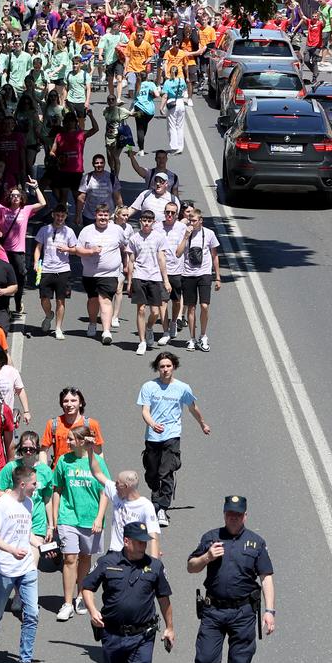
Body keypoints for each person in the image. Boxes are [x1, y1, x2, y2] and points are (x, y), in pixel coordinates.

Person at [187, 495, 276, 663]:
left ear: (245, 516)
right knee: (204, 660)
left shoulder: (256, 543)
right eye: (229, 514)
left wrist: (269, 611)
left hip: (243, 613)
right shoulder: (211, 538)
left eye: (238, 514)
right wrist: (207, 557)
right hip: (214, 610)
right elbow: (191, 566)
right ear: (224, 514)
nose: (233, 518)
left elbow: (266, 577)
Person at [81, 521, 175, 663]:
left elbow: (164, 598)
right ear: (126, 541)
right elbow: (87, 587)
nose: (143, 546)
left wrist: (170, 627)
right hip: (112, 634)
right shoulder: (107, 563)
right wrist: (92, 611)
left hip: (143, 635)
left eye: (145, 542)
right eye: (139, 542)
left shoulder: (154, 567)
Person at [0, 460, 43, 663]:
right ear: (22, 484)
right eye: (34, 483)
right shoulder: (2, 505)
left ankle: (24, 662)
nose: (36, 486)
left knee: (32, 613)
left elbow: (26, 533)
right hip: (4, 568)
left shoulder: (29, 503)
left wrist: (40, 545)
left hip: (26, 568)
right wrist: (11, 550)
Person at [136, 351, 210, 526]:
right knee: (152, 474)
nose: (165, 369)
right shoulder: (149, 387)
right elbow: (145, 411)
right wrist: (152, 424)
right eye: (162, 366)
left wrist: (202, 424)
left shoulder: (183, 388)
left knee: (166, 471)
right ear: (157, 368)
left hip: (172, 435)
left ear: (174, 367)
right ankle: (156, 498)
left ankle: (161, 507)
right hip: (153, 436)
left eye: (168, 366)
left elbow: (193, 408)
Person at [52, 424, 110, 620]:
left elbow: (105, 491)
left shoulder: (97, 462)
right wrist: (55, 518)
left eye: (70, 438)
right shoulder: (63, 461)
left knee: (85, 557)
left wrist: (99, 518)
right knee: (70, 558)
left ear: (82, 441)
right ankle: (67, 603)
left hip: (90, 518)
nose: (67, 442)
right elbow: (57, 490)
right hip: (68, 517)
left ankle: (80, 597)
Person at [77, 203, 129, 344]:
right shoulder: (87, 231)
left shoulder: (117, 230)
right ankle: (93, 323)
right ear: (96, 215)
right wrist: (90, 251)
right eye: (100, 215)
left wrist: (127, 264)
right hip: (90, 273)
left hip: (110, 273)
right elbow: (77, 250)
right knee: (93, 299)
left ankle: (106, 331)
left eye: (105, 215)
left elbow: (124, 246)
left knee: (105, 300)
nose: (103, 218)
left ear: (109, 216)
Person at [174, 204, 222, 351]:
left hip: (204, 274)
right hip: (188, 274)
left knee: (204, 306)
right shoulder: (184, 233)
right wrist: (185, 237)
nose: (191, 223)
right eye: (190, 220)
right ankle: (192, 338)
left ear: (201, 220)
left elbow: (214, 256)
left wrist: (218, 277)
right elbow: (178, 253)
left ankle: (203, 335)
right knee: (191, 308)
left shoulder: (209, 234)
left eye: (194, 220)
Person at [125, 209, 171, 355]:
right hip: (139, 276)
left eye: (149, 221)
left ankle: (149, 327)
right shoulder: (134, 238)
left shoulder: (159, 237)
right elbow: (131, 261)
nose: (146, 223)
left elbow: (162, 259)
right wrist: (129, 282)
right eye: (144, 220)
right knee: (141, 309)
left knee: (155, 312)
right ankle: (142, 341)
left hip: (155, 277)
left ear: (153, 222)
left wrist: (166, 280)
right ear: (140, 221)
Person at [33, 203, 77, 338]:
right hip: (46, 269)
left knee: (60, 300)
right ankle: (49, 315)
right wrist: (36, 262)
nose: (60, 218)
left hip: (63, 270)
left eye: (62, 216)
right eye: (57, 215)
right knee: (44, 298)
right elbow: (38, 248)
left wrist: (67, 249)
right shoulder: (44, 230)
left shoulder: (69, 231)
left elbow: (75, 250)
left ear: (66, 216)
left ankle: (58, 328)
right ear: (53, 215)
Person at [104, 469, 161, 554]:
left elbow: (153, 536)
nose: (115, 485)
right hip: (115, 551)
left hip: (132, 554)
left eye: (117, 483)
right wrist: (90, 459)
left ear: (125, 486)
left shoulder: (146, 506)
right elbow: (98, 474)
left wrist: (154, 560)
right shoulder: (117, 493)